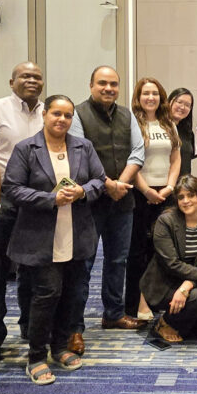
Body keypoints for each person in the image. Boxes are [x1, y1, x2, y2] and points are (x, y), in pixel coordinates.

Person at [3, 95, 106, 385]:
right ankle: (36, 356)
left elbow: (99, 180)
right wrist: (51, 199)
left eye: (67, 115)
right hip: (40, 237)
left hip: (77, 234)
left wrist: (82, 191)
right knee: (47, 294)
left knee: (71, 294)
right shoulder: (27, 148)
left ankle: (60, 347)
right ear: (45, 114)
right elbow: (12, 188)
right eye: (56, 114)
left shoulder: (83, 146)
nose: (62, 119)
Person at [68, 66, 145, 357]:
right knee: (84, 264)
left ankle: (113, 313)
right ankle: (74, 327)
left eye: (113, 83)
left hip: (122, 201)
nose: (108, 88)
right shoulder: (77, 114)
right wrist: (107, 184)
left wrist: (120, 184)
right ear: (91, 85)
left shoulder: (128, 115)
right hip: (89, 203)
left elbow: (138, 151)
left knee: (118, 261)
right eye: (102, 83)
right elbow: (80, 153)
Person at [0, 61, 44, 367]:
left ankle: (30, 326)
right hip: (1, 198)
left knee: (32, 269)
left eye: (37, 77)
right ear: (11, 81)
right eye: (25, 76)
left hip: (36, 201)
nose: (32, 80)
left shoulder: (48, 112)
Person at [140, 175, 197, 342]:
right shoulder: (165, 221)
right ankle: (165, 323)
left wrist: (186, 286)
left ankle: (185, 317)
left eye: (191, 195)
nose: (185, 201)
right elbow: (171, 264)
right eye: (181, 197)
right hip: (166, 281)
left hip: (194, 281)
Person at [127, 77, 181, 321]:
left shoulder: (168, 123)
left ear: (161, 98)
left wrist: (169, 187)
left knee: (162, 249)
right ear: (138, 98)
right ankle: (138, 301)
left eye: (155, 93)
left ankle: (157, 296)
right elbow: (131, 160)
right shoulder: (133, 124)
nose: (151, 98)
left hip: (165, 194)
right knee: (138, 250)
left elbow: (175, 158)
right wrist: (146, 189)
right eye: (146, 93)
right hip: (140, 193)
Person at [169, 88, 195, 177]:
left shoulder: (188, 132)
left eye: (187, 105)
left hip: (183, 183)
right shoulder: (159, 128)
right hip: (163, 182)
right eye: (179, 102)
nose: (182, 107)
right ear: (169, 102)